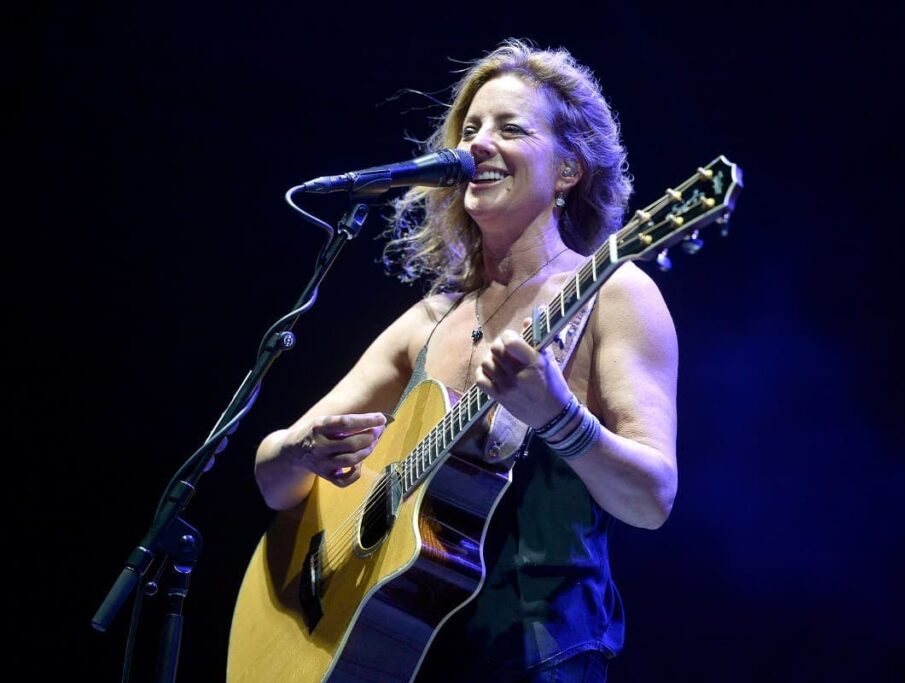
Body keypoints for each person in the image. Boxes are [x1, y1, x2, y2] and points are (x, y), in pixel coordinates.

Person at [254, 38, 678, 682]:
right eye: (470, 128)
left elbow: (652, 498)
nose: (478, 143)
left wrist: (559, 417)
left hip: (539, 655)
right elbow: (273, 481)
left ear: (568, 171)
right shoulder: (433, 317)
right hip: (405, 653)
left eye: (510, 129)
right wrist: (302, 451)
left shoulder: (612, 292)